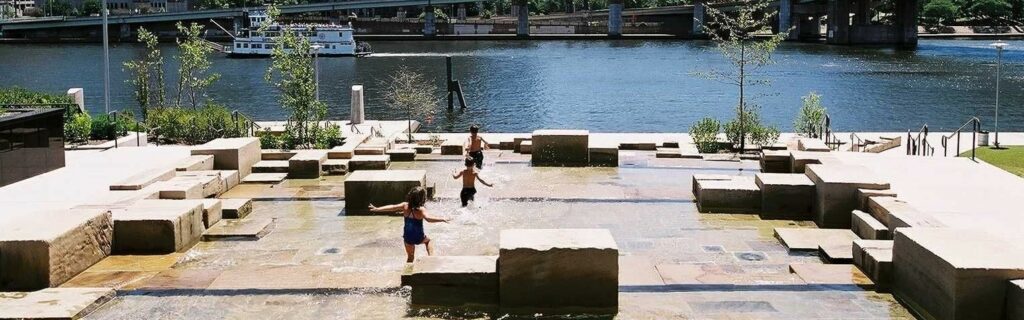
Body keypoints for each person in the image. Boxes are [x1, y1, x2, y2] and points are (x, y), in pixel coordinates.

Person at [368, 187, 448, 263]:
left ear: (410, 196)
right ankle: (431, 259)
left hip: (408, 237)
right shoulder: (421, 210)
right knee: (428, 241)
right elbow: (428, 218)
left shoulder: (405, 206)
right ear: (422, 198)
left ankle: (407, 272)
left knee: (410, 257)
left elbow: (392, 207)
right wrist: (442, 219)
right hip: (419, 236)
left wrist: (377, 209)